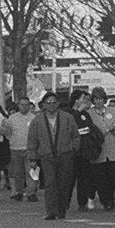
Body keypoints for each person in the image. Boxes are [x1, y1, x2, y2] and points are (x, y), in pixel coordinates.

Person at [27, 91, 81, 220]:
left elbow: (75, 136)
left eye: (54, 102)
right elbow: (32, 139)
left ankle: (61, 209)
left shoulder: (67, 118)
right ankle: (51, 210)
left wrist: (73, 149)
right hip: (47, 157)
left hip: (65, 155)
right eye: (48, 103)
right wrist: (32, 158)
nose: (51, 105)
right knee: (50, 184)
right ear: (43, 105)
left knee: (64, 183)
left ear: (58, 104)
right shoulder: (37, 120)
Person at [88, 87, 115, 211]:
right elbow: (91, 132)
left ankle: (109, 197)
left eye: (101, 98)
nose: (98, 101)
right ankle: (105, 201)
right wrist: (105, 130)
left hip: (113, 150)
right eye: (96, 99)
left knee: (113, 176)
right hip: (98, 152)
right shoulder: (89, 114)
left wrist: (114, 129)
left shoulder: (113, 111)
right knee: (100, 179)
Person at [67, 90, 100, 211]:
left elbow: (90, 127)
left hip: (84, 149)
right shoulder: (68, 112)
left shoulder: (86, 114)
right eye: (83, 98)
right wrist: (78, 110)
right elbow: (69, 125)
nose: (86, 100)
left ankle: (82, 203)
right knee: (69, 178)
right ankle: (65, 201)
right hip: (71, 150)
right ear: (76, 99)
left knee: (84, 177)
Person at [2, 97, 38, 202]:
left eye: (26, 105)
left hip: (29, 149)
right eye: (22, 105)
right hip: (15, 148)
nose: (24, 107)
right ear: (19, 106)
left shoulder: (34, 118)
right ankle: (19, 192)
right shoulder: (12, 118)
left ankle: (31, 192)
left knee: (30, 171)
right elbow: (7, 133)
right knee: (18, 172)